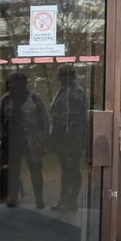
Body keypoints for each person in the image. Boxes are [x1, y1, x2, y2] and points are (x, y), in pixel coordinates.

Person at [0, 71, 49, 208]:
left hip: (32, 141)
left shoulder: (34, 98)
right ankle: (13, 196)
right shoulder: (5, 99)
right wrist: (2, 134)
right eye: (10, 82)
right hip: (13, 142)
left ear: (23, 83)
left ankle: (39, 199)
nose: (12, 85)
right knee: (13, 171)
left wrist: (43, 140)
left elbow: (44, 119)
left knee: (36, 170)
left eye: (15, 82)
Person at [49, 65, 88, 212]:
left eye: (60, 75)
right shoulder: (64, 91)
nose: (58, 78)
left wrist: (70, 138)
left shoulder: (74, 92)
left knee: (72, 169)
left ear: (67, 76)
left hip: (71, 139)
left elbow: (75, 118)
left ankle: (71, 200)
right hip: (63, 138)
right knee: (66, 170)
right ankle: (65, 199)